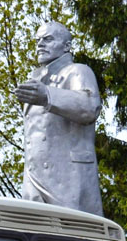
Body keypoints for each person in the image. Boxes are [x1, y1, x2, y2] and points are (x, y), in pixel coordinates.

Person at [13, 21, 104, 216]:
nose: (40, 45)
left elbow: (89, 106)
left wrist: (47, 95)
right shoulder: (35, 80)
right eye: (38, 41)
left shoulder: (78, 71)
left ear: (67, 46)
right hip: (34, 179)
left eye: (47, 39)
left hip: (68, 178)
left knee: (74, 233)